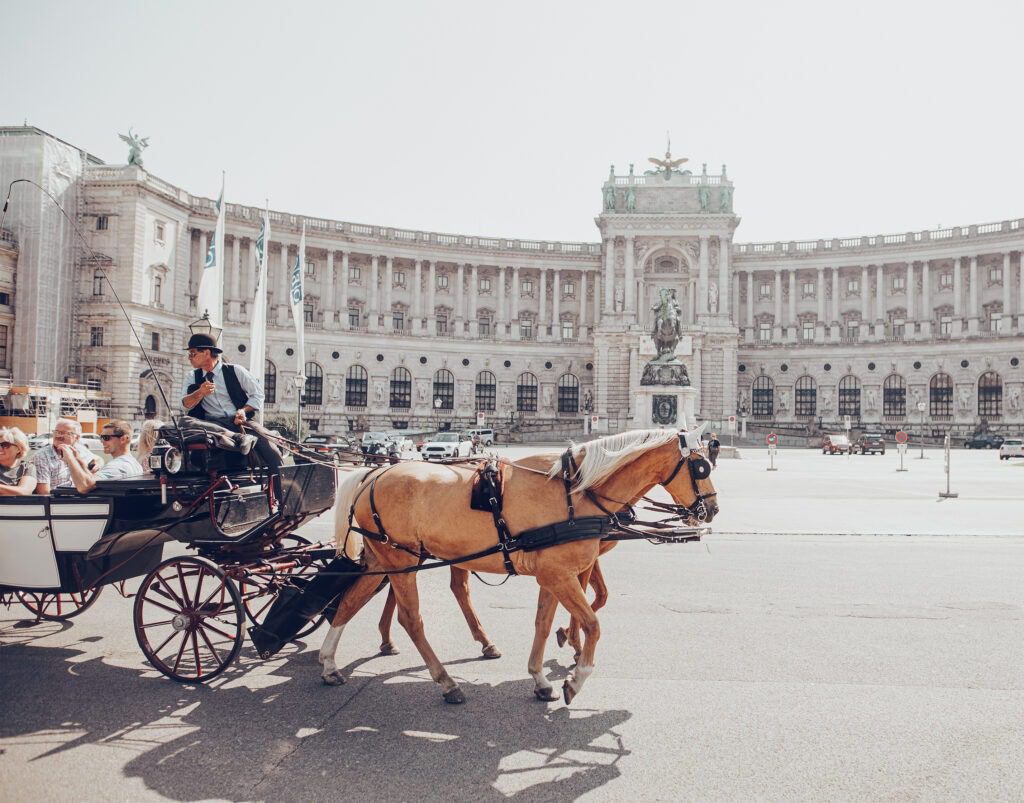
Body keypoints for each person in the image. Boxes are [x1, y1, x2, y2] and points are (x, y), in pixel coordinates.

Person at [180, 333, 281, 474]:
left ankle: (279, 491)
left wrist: (243, 411)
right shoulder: (192, 376)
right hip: (213, 424)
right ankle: (239, 439)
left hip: (240, 421)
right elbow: (184, 405)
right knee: (184, 421)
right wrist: (200, 393)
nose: (189, 357)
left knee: (272, 451)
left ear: (207, 353)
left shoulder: (236, 370)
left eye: (192, 353)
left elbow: (257, 395)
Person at [61, 420, 143, 493]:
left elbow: (84, 486)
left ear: (123, 439)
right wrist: (80, 462)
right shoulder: (133, 463)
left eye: (106, 438)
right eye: (101, 437)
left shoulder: (119, 465)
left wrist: (70, 459)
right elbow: (91, 480)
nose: (102, 441)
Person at [32, 418, 100, 494]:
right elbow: (44, 492)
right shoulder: (42, 456)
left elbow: (98, 459)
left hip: (84, 499)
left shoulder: (80, 450)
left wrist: (97, 464)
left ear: (76, 438)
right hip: (58, 501)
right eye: (56, 432)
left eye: (64, 433)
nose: (58, 436)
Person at [0, 426, 38, 496]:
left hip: (16, 506)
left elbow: (25, 492)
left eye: (5, 445)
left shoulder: (27, 468)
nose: (0, 448)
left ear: (19, 449)